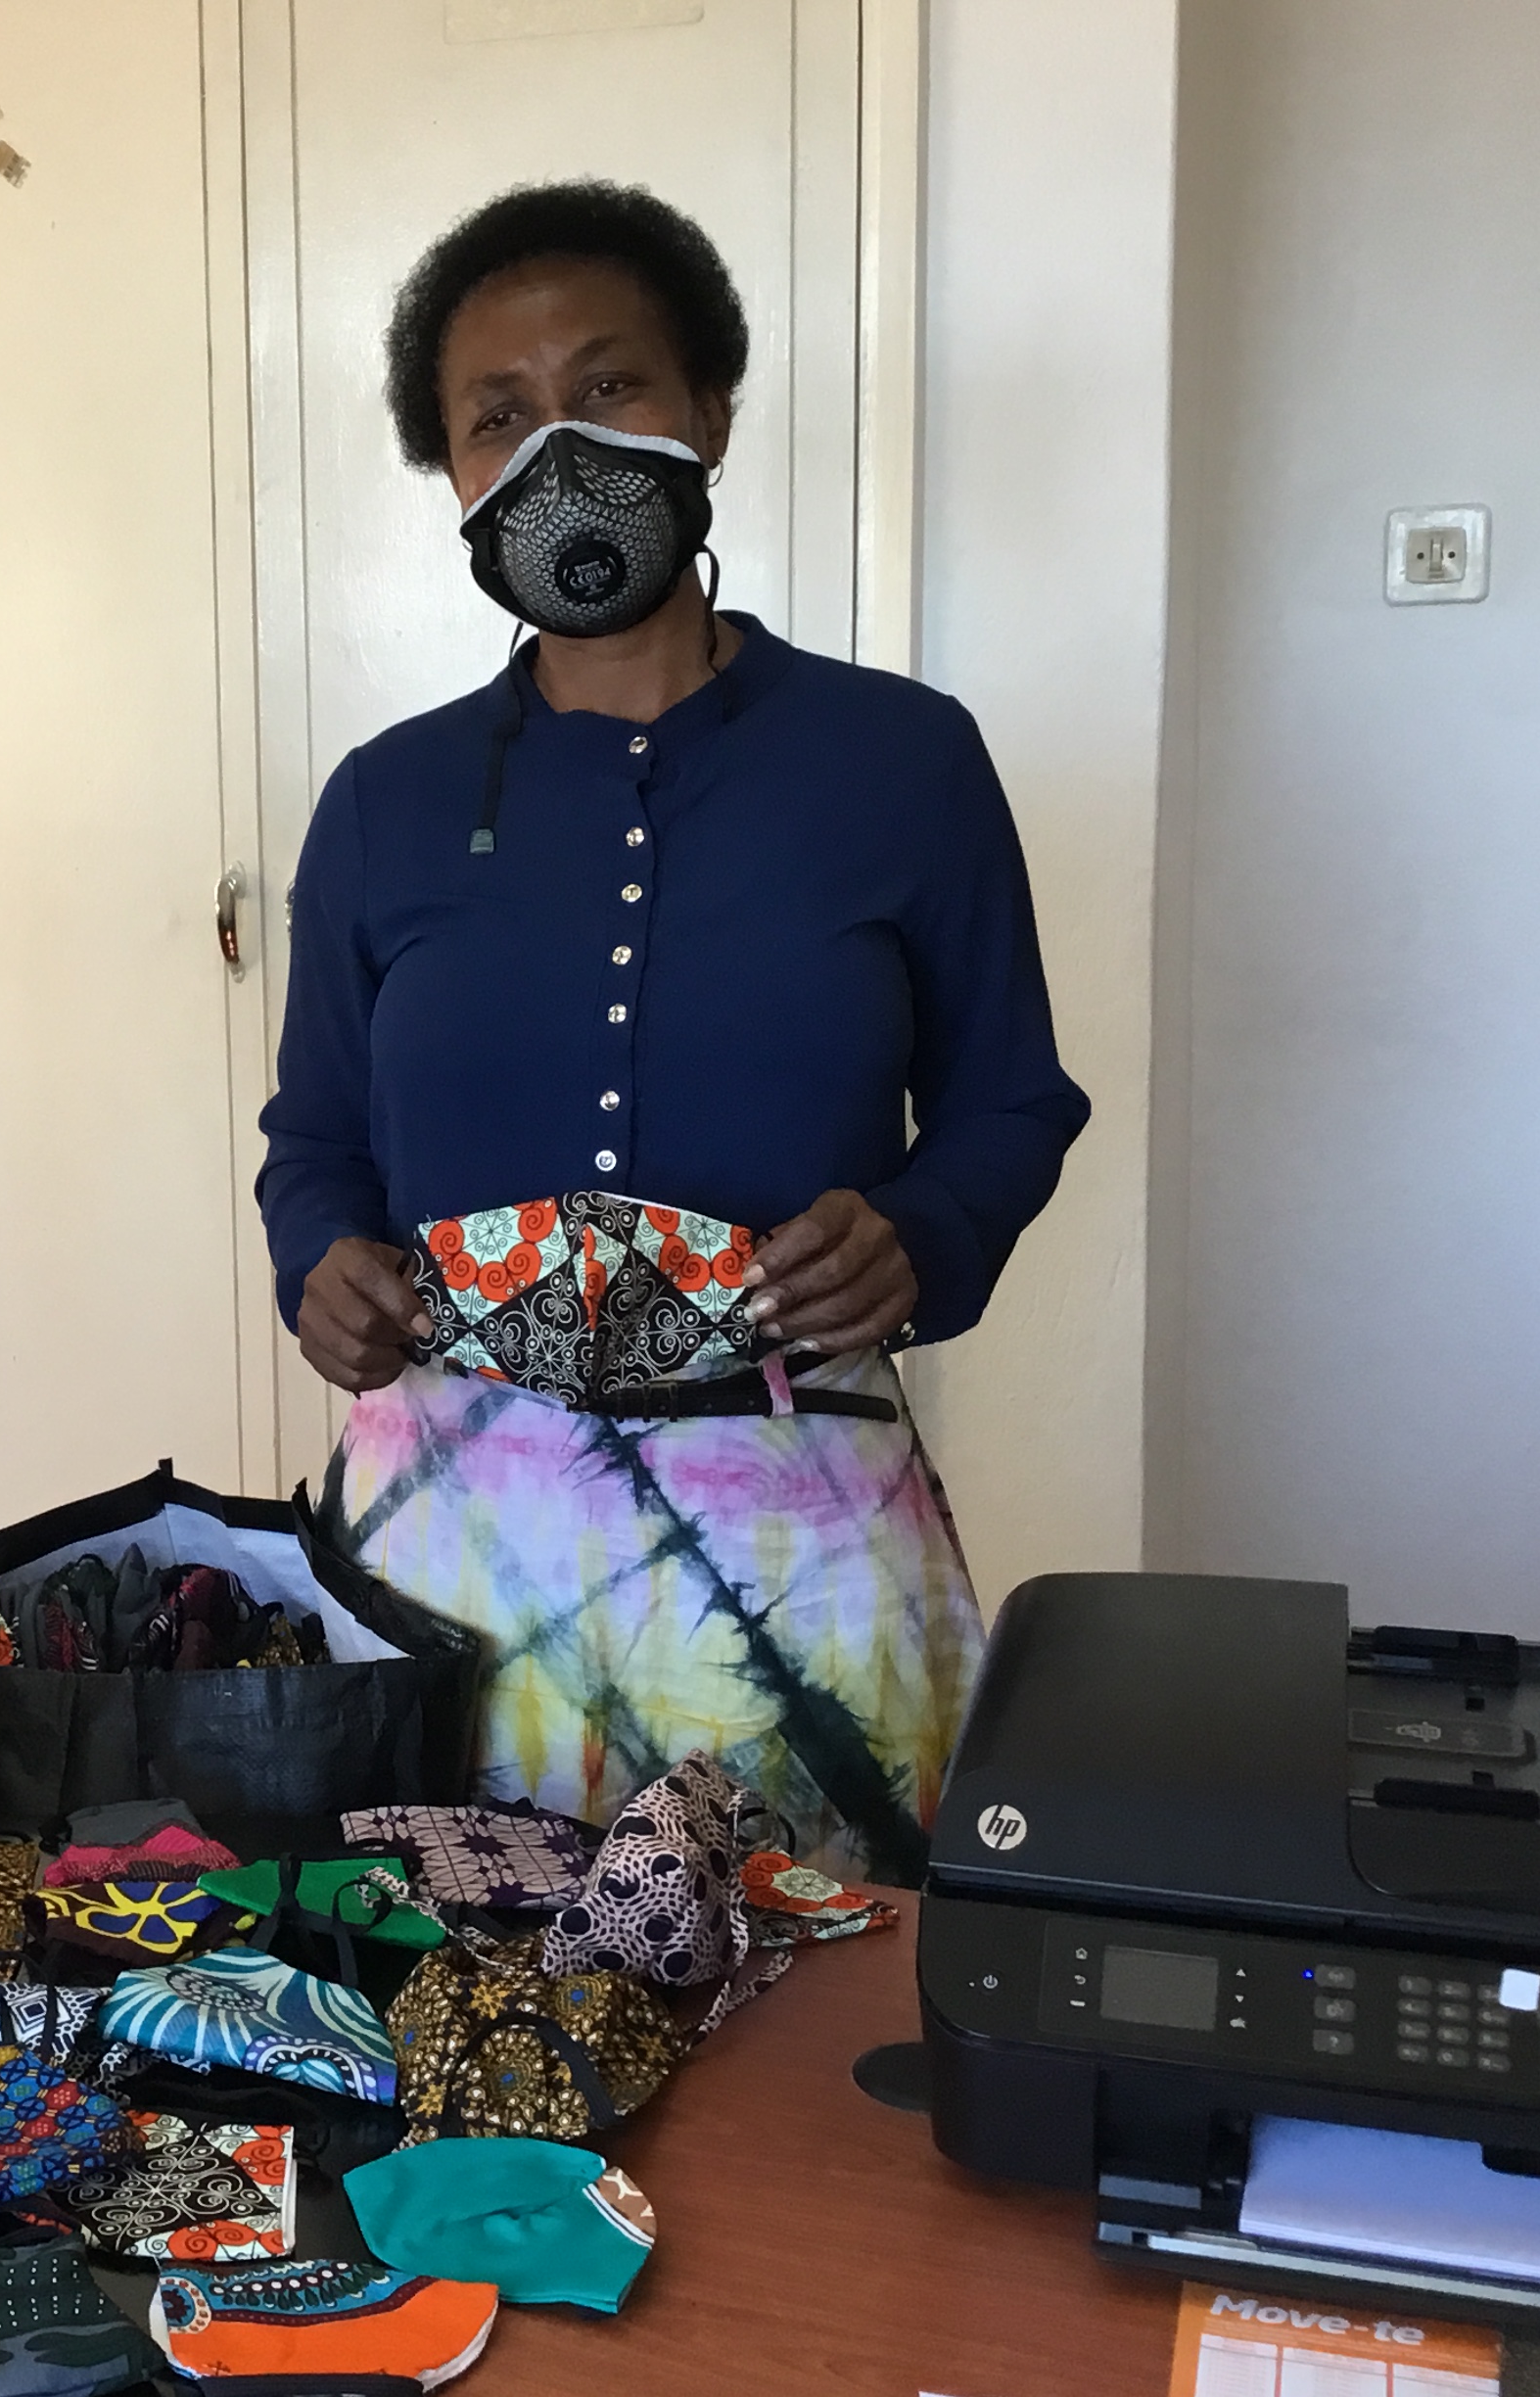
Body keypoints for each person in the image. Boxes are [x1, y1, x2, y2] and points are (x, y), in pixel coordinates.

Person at [258, 182, 1087, 1884]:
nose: (557, 442)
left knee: (819, 2029)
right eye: (497, 416)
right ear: (455, 482)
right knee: (453, 2029)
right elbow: (317, 1139)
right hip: (446, 1552)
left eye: (609, 386)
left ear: (710, 406)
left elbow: (1014, 1100)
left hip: (806, 1543)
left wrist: (923, 1234)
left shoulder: (903, 761)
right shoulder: (382, 806)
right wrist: (317, 1260)